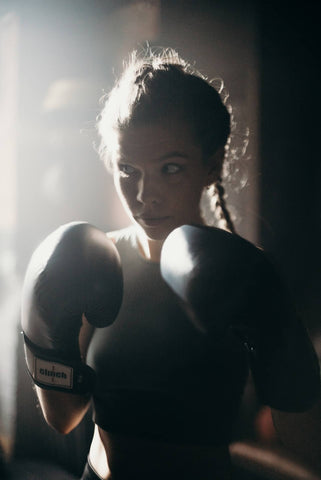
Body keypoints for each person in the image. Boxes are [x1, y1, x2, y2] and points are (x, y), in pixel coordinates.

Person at [21, 48, 321, 480]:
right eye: (128, 169)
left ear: (211, 165)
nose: (145, 195)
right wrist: (43, 334)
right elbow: (63, 418)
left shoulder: (245, 273)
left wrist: (277, 333)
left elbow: (304, 435)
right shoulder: (92, 262)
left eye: (171, 168)